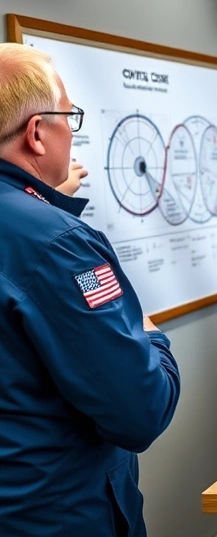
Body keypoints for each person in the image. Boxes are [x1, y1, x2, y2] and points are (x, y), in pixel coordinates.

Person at [0, 43, 180, 536]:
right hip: (55, 516)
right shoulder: (59, 245)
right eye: (68, 117)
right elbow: (141, 411)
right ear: (37, 133)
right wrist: (150, 337)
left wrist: (42, 202)